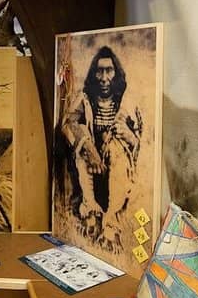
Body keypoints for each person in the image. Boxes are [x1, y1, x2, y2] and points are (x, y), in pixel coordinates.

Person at [61, 45, 144, 243]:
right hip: (90, 169)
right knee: (83, 151)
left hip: (117, 171)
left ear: (116, 73)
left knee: (116, 147)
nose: (105, 77)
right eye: (100, 70)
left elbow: (143, 142)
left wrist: (129, 137)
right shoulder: (86, 99)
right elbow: (68, 123)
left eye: (109, 70)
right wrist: (89, 147)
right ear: (93, 73)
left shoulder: (126, 101)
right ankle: (91, 212)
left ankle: (111, 223)